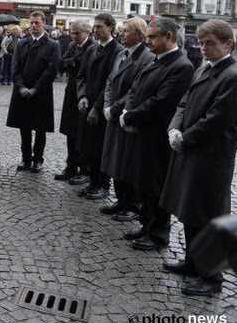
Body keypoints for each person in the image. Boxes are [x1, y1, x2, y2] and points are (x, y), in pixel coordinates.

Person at [159, 19, 237, 296]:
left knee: (208, 215)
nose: (202, 48)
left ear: (228, 44)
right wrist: (174, 128)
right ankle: (193, 262)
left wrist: (185, 137)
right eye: (201, 43)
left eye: (209, 43)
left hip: (212, 158)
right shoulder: (205, 68)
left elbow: (216, 119)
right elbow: (184, 102)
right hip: (191, 151)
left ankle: (212, 277)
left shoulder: (232, 75)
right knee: (190, 210)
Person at [119, 18, 194, 251]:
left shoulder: (181, 66)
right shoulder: (155, 61)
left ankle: (158, 233)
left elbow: (161, 102)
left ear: (168, 37)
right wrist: (127, 110)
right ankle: (146, 225)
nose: (148, 41)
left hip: (157, 136)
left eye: (152, 37)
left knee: (156, 184)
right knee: (142, 181)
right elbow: (134, 88)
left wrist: (130, 116)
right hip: (141, 131)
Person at [99, 17, 153, 221]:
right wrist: (106, 105)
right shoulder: (121, 53)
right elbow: (110, 81)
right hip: (112, 114)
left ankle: (132, 204)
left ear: (139, 34)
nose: (122, 34)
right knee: (115, 159)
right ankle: (121, 200)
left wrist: (114, 109)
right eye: (121, 30)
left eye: (126, 31)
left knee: (128, 161)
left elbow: (134, 89)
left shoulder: (146, 57)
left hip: (126, 115)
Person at [74, 14, 124, 199]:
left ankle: (102, 184)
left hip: (102, 108)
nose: (95, 30)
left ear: (110, 27)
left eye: (99, 27)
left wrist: (97, 106)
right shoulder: (92, 49)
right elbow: (81, 76)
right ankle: (93, 181)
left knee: (101, 147)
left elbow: (110, 83)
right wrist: (82, 96)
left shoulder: (117, 50)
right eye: (94, 27)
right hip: (87, 104)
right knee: (88, 146)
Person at [6, 12, 61, 173]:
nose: (34, 26)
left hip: (41, 92)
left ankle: (38, 159)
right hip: (22, 92)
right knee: (24, 128)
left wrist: (35, 88)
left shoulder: (52, 44)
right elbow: (15, 67)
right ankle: (26, 158)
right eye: (31, 23)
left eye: (37, 23)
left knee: (40, 128)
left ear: (44, 23)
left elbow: (51, 70)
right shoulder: (22, 43)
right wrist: (21, 87)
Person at [55, 19, 95, 181]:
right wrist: (73, 62)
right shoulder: (72, 46)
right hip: (71, 93)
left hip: (84, 94)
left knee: (82, 134)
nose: (73, 36)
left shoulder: (92, 47)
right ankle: (71, 165)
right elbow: (62, 64)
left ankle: (84, 168)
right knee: (69, 132)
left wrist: (72, 62)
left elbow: (85, 68)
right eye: (72, 32)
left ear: (86, 32)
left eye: (77, 33)